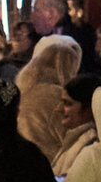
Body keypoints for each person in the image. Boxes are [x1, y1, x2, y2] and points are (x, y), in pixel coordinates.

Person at [16, 33, 82, 161]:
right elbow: (72, 139)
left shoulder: (24, 90)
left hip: (24, 165)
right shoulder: (59, 97)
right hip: (50, 167)